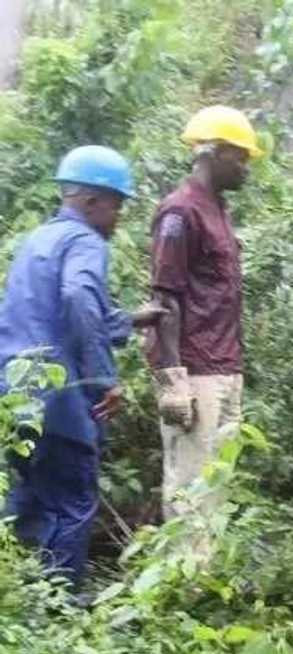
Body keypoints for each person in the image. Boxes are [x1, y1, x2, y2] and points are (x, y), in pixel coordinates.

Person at [0, 146, 163, 587]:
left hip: (15, 394)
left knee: (29, 498)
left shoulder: (39, 240)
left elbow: (52, 313)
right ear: (93, 202)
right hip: (60, 398)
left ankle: (22, 600)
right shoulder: (85, 241)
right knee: (72, 501)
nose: (119, 218)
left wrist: (131, 319)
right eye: (118, 206)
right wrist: (104, 379)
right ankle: (62, 609)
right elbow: (77, 299)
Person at [147, 106, 262, 518]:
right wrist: (173, 378)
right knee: (191, 487)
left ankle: (206, 577)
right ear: (214, 153)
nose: (247, 167)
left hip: (226, 366)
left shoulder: (218, 209)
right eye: (241, 156)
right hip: (196, 371)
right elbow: (166, 298)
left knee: (217, 485)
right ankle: (184, 580)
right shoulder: (181, 211)